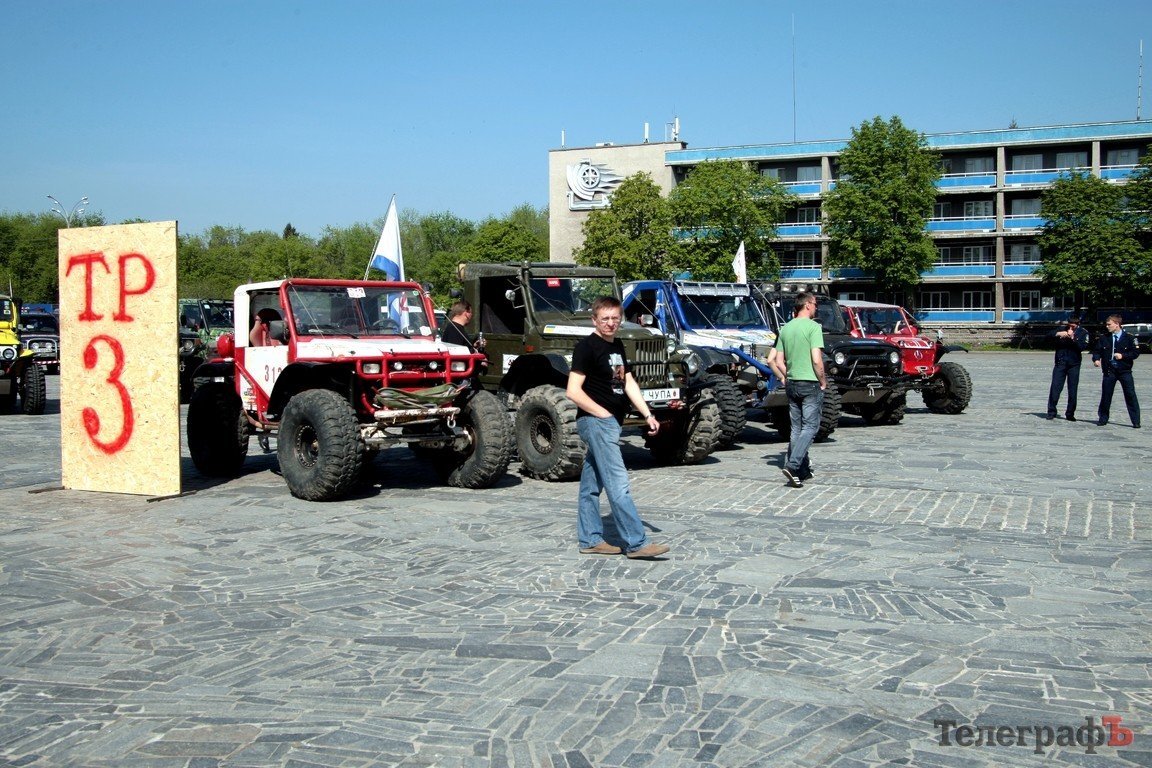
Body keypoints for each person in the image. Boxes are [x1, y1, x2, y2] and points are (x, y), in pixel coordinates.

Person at [566, 296, 669, 559]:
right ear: (594, 320)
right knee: (618, 482)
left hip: (611, 422)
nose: (611, 323)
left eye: (615, 318)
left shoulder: (618, 346)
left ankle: (590, 539)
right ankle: (636, 543)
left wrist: (647, 414)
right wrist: (602, 414)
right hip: (597, 422)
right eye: (605, 319)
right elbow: (573, 391)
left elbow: (629, 383)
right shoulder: (586, 348)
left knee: (591, 484)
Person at [768, 292, 827, 488]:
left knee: (796, 428)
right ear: (808, 305)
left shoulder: (786, 329)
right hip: (809, 383)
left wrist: (785, 376)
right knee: (810, 427)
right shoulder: (813, 327)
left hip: (792, 383)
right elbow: (817, 360)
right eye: (815, 304)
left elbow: (777, 360)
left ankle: (800, 469)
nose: (816, 307)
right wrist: (823, 380)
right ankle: (793, 466)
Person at [1092, 314, 1141, 428]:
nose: (1107, 326)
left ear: (1117, 324)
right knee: (1106, 395)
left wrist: (1123, 356)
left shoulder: (1129, 338)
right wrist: (1096, 359)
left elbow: (1135, 353)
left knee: (1130, 395)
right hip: (1109, 371)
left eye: (1109, 324)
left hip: (1124, 371)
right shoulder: (1104, 338)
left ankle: (1136, 420)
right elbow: (1097, 351)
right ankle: (1103, 418)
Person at [1046, 315, 1090, 420]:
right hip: (1060, 362)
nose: (1070, 328)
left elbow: (1082, 347)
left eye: (1073, 326)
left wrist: (1073, 338)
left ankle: (1070, 413)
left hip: (1074, 364)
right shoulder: (1062, 329)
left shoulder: (1083, 332)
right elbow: (1047, 337)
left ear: (1078, 325)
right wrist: (1058, 334)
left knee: (1072, 389)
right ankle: (1051, 411)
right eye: (1069, 325)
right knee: (1055, 387)